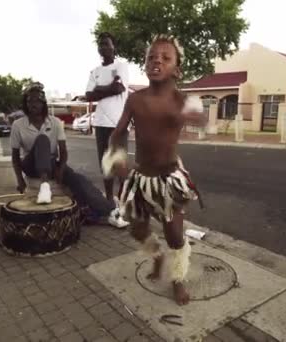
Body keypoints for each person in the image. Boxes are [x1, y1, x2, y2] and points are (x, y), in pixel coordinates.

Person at [105, 35, 206, 305]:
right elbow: (117, 134)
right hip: (141, 180)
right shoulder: (135, 99)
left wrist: (197, 116)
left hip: (170, 180)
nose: (156, 61)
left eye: (165, 57)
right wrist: (116, 159)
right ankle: (156, 255)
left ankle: (177, 278)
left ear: (177, 69)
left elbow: (203, 118)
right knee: (137, 229)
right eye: (151, 57)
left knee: (174, 236)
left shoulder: (182, 100)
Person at [10, 82, 128, 228]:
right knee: (42, 139)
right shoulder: (18, 125)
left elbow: (63, 151)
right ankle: (45, 186)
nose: (32, 104)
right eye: (29, 101)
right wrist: (20, 180)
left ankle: (111, 213)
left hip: (51, 162)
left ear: (43, 103)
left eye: (36, 101)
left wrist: (61, 168)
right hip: (30, 163)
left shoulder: (55, 122)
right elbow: (15, 157)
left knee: (79, 180)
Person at [85, 32, 130, 204]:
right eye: (101, 44)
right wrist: (108, 87)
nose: (103, 47)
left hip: (118, 123)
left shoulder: (121, 67)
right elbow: (88, 95)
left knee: (119, 165)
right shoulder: (94, 71)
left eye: (106, 44)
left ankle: (123, 201)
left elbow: (119, 89)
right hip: (100, 124)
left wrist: (99, 90)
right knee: (106, 165)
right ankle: (110, 201)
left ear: (113, 47)